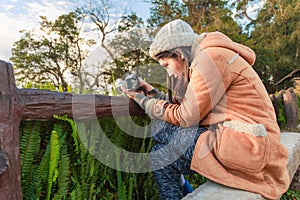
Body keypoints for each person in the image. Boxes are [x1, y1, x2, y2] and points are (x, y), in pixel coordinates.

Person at [124, 19, 290, 200]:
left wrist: (140, 100)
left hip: (252, 147)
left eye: (166, 65)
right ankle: (183, 194)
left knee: (160, 129)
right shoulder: (201, 61)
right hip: (237, 142)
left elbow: (185, 117)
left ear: (179, 54)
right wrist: (151, 93)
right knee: (159, 155)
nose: (168, 73)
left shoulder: (211, 59)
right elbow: (186, 107)